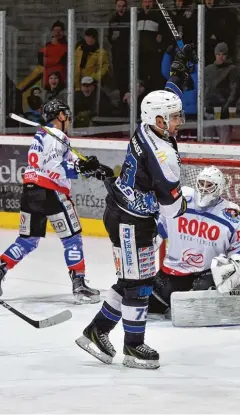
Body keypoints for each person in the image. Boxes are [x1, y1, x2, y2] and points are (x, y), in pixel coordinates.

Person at [76, 90, 189, 370]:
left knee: (132, 280)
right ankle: (133, 345)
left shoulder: (145, 127)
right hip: (130, 222)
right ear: (159, 120)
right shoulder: (163, 156)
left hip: (128, 213)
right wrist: (185, 202)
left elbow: (164, 95)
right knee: (139, 285)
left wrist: (178, 75)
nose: (180, 122)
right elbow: (173, 209)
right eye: (175, 117)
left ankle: (96, 331)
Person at [0, 99, 113, 304]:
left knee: (27, 240)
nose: (69, 119)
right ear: (61, 116)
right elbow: (53, 165)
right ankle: (79, 285)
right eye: (67, 115)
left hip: (30, 191)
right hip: (51, 191)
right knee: (72, 239)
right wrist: (80, 168)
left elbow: (68, 161)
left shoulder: (43, 136)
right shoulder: (58, 135)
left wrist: (92, 168)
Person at [148, 166, 240, 316]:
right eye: (201, 183)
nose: (204, 189)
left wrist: (237, 262)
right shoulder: (181, 199)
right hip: (175, 270)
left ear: (219, 188)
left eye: (209, 185)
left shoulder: (230, 212)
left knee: (195, 309)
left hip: (207, 273)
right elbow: (160, 224)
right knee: (150, 306)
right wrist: (150, 238)